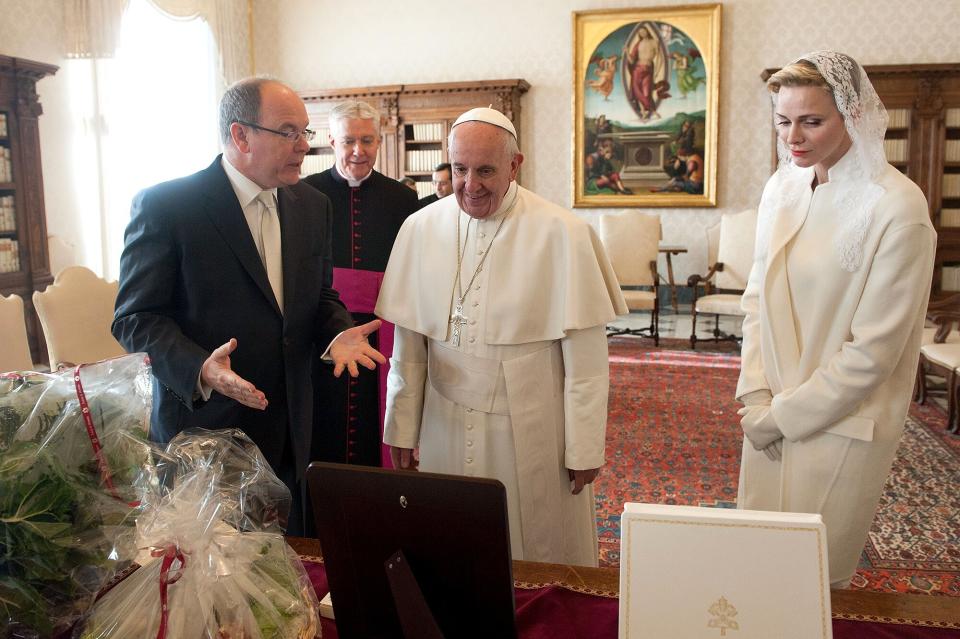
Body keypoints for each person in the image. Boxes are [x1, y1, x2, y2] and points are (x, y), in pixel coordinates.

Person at [112, 78, 385, 536]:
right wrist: (201, 368)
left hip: (292, 427)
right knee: (209, 591)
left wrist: (337, 330)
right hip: (206, 431)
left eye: (305, 132)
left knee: (283, 573)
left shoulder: (311, 205)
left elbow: (318, 295)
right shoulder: (168, 206)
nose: (303, 146)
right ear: (241, 136)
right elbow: (135, 318)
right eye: (288, 132)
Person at [376, 107, 628, 566]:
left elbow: (588, 364)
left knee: (533, 547)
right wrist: (401, 425)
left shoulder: (562, 233)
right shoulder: (420, 228)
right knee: (446, 546)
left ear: (516, 165)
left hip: (528, 422)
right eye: (459, 169)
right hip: (444, 422)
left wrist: (586, 446)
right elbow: (409, 346)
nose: (470, 185)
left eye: (486, 170)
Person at [736, 52, 935, 587]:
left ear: (853, 115)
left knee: (814, 579)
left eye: (811, 121)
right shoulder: (781, 188)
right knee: (754, 565)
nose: (792, 137)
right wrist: (755, 396)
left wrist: (784, 415)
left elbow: (875, 352)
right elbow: (755, 300)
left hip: (841, 424)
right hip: (768, 415)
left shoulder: (898, 207)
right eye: (783, 121)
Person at [302, 101, 418, 470]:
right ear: (331, 139)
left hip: (382, 327)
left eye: (367, 140)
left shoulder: (402, 198)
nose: (358, 150)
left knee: (375, 416)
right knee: (325, 418)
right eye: (349, 139)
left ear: (379, 141)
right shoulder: (303, 195)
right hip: (321, 326)